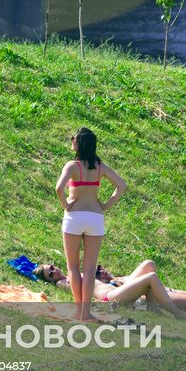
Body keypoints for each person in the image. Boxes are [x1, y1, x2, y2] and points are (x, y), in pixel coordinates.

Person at [35, 260, 186, 319]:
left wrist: (115, 278)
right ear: (50, 279)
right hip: (111, 297)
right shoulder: (64, 282)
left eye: (52, 266)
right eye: (49, 272)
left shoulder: (76, 272)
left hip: (118, 288)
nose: (54, 270)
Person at [55, 127, 126, 321]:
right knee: (89, 269)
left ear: (78, 143)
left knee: (73, 268)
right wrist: (105, 205)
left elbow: (59, 188)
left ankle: (79, 312)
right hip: (95, 218)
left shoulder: (72, 166)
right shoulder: (100, 167)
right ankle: (86, 313)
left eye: (73, 139)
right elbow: (122, 186)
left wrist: (66, 205)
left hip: (74, 217)